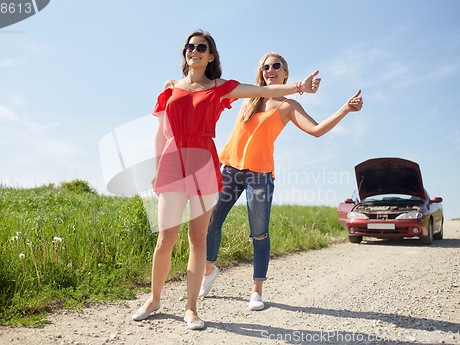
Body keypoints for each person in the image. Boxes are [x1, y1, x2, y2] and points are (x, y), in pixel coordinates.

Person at [132, 32, 321, 330]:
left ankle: (191, 309)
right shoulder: (170, 87)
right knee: (165, 238)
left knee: (198, 239)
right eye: (189, 47)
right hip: (172, 163)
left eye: (201, 47)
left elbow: (257, 89)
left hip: (204, 164)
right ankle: (154, 299)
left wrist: (298, 87)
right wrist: (157, 166)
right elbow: (160, 131)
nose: (194, 50)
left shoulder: (220, 88)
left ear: (211, 56)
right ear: (185, 53)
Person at [199, 52, 363, 311]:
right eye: (266, 67)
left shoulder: (289, 106)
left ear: (285, 73)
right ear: (261, 72)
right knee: (211, 221)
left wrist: (345, 108)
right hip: (229, 169)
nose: (270, 70)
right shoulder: (249, 97)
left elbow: (317, 130)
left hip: (259, 177)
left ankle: (256, 290)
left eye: (276, 66)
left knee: (259, 233)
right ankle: (208, 271)